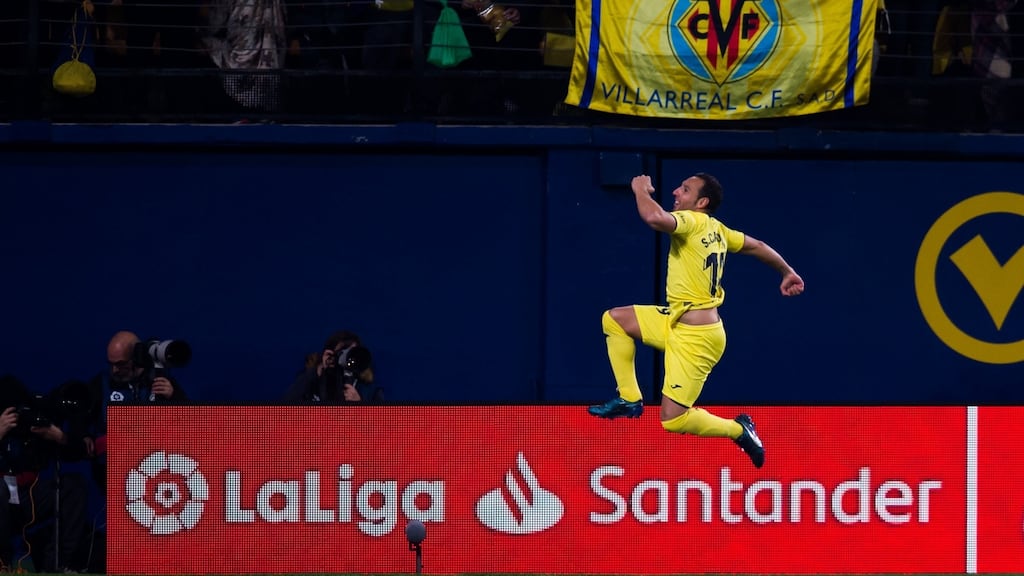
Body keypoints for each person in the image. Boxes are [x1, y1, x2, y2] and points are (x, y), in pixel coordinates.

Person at [587, 173, 805, 469]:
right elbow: (757, 245)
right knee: (615, 320)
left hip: (697, 338)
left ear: (701, 202)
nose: (676, 191)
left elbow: (654, 218)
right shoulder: (719, 230)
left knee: (673, 420)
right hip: (675, 321)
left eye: (685, 189)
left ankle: (738, 430)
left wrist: (639, 190)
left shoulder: (693, 221)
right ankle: (628, 398)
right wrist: (786, 270)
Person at [0, 376, 90, 573]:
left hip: (28, 496)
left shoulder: (33, 420)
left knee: (73, 486)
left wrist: (60, 437)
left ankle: (56, 565)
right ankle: (2, 564)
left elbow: (80, 453)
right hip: (2, 496)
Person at [283, 330, 383, 404]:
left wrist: (360, 404)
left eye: (352, 352)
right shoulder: (311, 382)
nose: (349, 358)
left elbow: (382, 427)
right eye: (343, 351)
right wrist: (318, 371)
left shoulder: (370, 391)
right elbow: (285, 405)